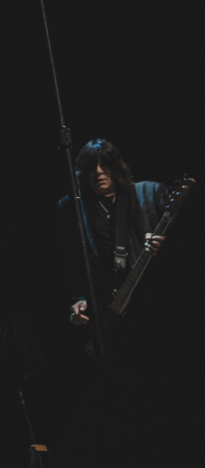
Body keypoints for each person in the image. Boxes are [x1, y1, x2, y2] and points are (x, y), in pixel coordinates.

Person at [61, 139, 167, 330]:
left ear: (116, 167)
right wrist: (79, 299)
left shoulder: (150, 193)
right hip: (108, 312)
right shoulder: (71, 207)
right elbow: (69, 260)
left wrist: (162, 243)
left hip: (154, 303)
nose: (98, 171)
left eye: (105, 164)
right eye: (91, 167)